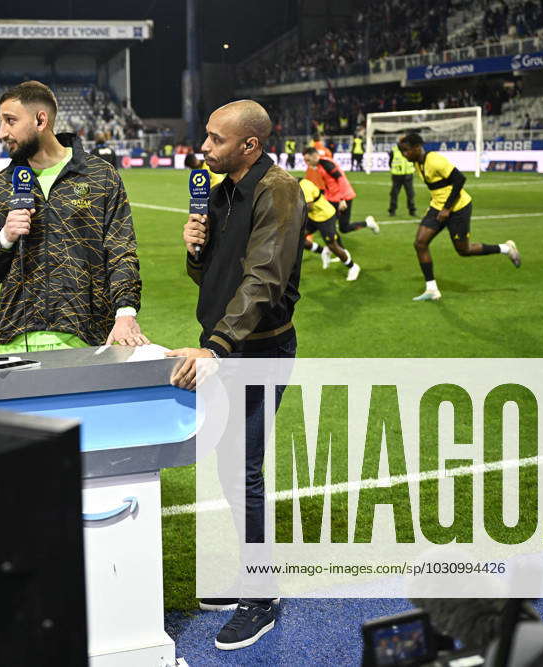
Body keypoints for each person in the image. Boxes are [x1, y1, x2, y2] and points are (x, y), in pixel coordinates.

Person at [167, 99, 304, 651]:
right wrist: (196, 250)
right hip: (225, 347)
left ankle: (262, 595)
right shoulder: (221, 191)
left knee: (242, 469)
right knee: (228, 468)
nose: (204, 147)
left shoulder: (278, 189)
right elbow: (216, 275)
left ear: (250, 145)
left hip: (259, 351)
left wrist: (217, 346)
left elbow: (265, 280)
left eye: (215, 139)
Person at [0, 80, 147, 353]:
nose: (1, 132)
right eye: (1, 121)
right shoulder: (0, 186)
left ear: (41, 120)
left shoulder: (100, 176)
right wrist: (5, 237)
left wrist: (125, 313)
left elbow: (120, 250)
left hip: (87, 335)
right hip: (17, 339)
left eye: (10, 121)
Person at [398, 133, 521, 302]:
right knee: (420, 243)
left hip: (458, 207)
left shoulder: (434, 160)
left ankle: (506, 248)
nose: (404, 155)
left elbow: (459, 179)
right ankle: (432, 289)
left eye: (406, 150)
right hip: (438, 207)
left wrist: (447, 208)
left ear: (417, 148)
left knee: (464, 250)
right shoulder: (418, 163)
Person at [303, 146, 379, 235]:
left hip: (343, 197)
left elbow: (341, 179)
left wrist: (342, 199)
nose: (307, 163)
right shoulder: (318, 165)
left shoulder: (326, 164)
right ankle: (328, 244)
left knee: (343, 227)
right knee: (324, 220)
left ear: (315, 156)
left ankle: (368, 223)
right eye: (305, 161)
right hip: (332, 197)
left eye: (308, 160)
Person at [299, 178, 361, 280]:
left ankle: (353, 267)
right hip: (313, 217)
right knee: (298, 238)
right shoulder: (297, 184)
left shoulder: (304, 186)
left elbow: (308, 206)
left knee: (333, 245)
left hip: (325, 217)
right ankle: (323, 251)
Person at [387, 140, 417, 216]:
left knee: (410, 194)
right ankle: (392, 211)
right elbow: (390, 162)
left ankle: (412, 210)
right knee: (394, 194)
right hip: (397, 175)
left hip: (408, 174)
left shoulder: (410, 149)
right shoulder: (394, 150)